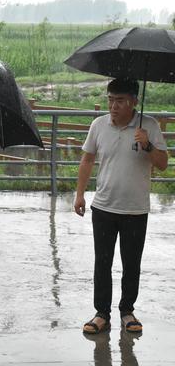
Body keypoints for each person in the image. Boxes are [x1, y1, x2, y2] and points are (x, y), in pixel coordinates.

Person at [74, 78, 168, 335]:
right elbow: (87, 160)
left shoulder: (149, 126)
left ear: (134, 102)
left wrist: (147, 144)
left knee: (131, 263)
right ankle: (101, 313)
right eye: (110, 100)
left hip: (135, 209)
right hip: (103, 206)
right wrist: (80, 194)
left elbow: (162, 163)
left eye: (120, 101)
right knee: (102, 262)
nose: (114, 106)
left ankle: (127, 310)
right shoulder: (98, 125)